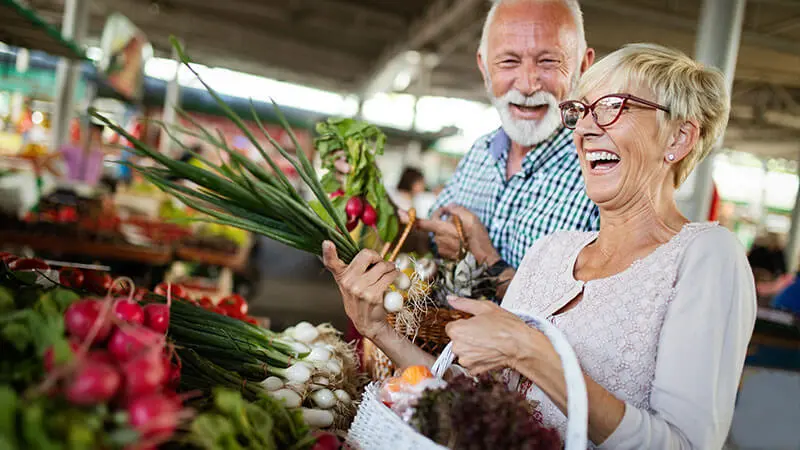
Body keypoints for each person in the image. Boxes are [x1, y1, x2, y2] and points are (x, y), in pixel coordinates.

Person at [323, 43, 756, 449]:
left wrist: (530, 352)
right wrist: (378, 330)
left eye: (610, 108)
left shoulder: (705, 255)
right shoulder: (551, 251)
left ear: (679, 138)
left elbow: (684, 444)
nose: (585, 127)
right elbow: (485, 404)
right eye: (581, 111)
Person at [335, 0, 599, 291]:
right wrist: (374, 197)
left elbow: (586, 321)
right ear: (484, 67)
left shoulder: (601, 172)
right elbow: (428, 242)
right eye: (508, 61)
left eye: (549, 61)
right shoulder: (480, 152)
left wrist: (485, 257)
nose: (526, 84)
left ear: (583, 66)